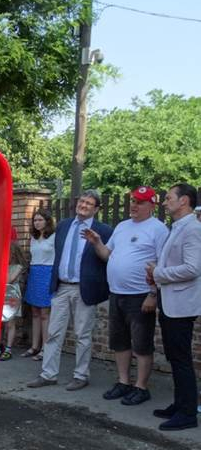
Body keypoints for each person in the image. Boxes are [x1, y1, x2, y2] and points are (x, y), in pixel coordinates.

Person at [82, 186, 168, 405]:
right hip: (116, 293)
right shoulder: (121, 226)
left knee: (141, 344)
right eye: (133, 201)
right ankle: (123, 382)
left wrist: (153, 294)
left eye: (139, 202)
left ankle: (141, 386)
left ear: (151, 205)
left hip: (140, 295)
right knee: (119, 342)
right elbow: (107, 255)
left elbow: (162, 265)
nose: (134, 206)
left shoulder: (159, 229)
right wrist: (97, 243)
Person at [27, 190, 112, 390]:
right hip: (62, 287)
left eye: (89, 203)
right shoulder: (64, 226)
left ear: (97, 209)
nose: (84, 205)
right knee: (54, 332)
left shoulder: (104, 230)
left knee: (83, 334)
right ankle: (48, 374)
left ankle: (81, 375)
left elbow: (108, 259)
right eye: (82, 201)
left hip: (85, 289)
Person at [146, 183, 201, 431]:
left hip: (181, 306)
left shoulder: (192, 230)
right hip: (171, 303)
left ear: (184, 201)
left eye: (169, 198)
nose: (164, 201)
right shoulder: (177, 227)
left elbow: (193, 269)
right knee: (174, 356)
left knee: (181, 359)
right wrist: (157, 274)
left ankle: (188, 413)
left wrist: (158, 273)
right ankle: (180, 405)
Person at [21, 209, 56, 361]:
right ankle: (34, 347)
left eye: (40, 220)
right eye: (35, 220)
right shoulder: (34, 238)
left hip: (47, 273)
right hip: (34, 274)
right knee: (34, 312)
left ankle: (45, 348)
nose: (37, 223)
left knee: (44, 314)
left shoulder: (54, 237)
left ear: (47, 221)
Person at [0, 242, 26, 361]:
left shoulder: (18, 267)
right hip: (0, 294)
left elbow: (9, 280)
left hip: (12, 296)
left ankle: (8, 349)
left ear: (13, 254)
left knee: (10, 322)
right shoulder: (1, 265)